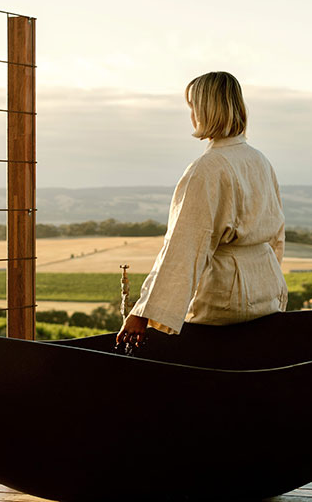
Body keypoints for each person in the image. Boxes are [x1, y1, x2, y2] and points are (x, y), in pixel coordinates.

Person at [116, 71, 288, 348]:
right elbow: (276, 234)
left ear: (205, 110)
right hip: (267, 290)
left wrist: (142, 313)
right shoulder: (260, 160)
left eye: (193, 107)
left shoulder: (207, 168)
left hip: (226, 301)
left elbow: (184, 247)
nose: (192, 115)